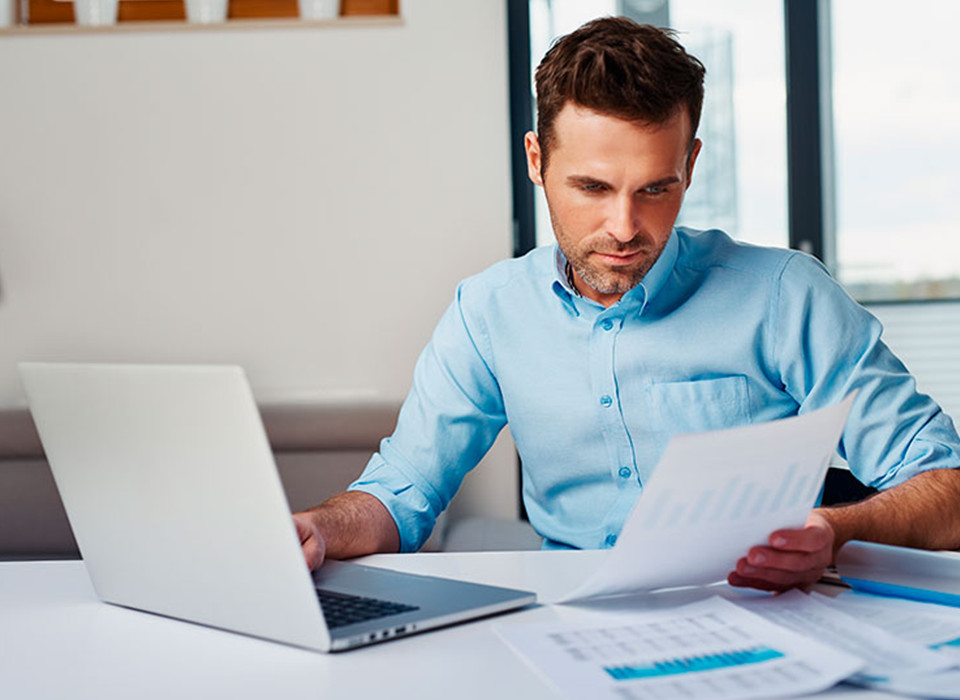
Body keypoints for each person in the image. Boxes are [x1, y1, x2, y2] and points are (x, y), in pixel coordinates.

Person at [293, 17, 960, 592]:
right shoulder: (488, 312)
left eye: (655, 188)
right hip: (568, 627)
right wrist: (317, 529)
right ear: (536, 159)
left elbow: (946, 489)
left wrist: (835, 532)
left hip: (760, 620)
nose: (623, 226)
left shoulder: (787, 297)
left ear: (690, 165)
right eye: (591, 186)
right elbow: (401, 491)